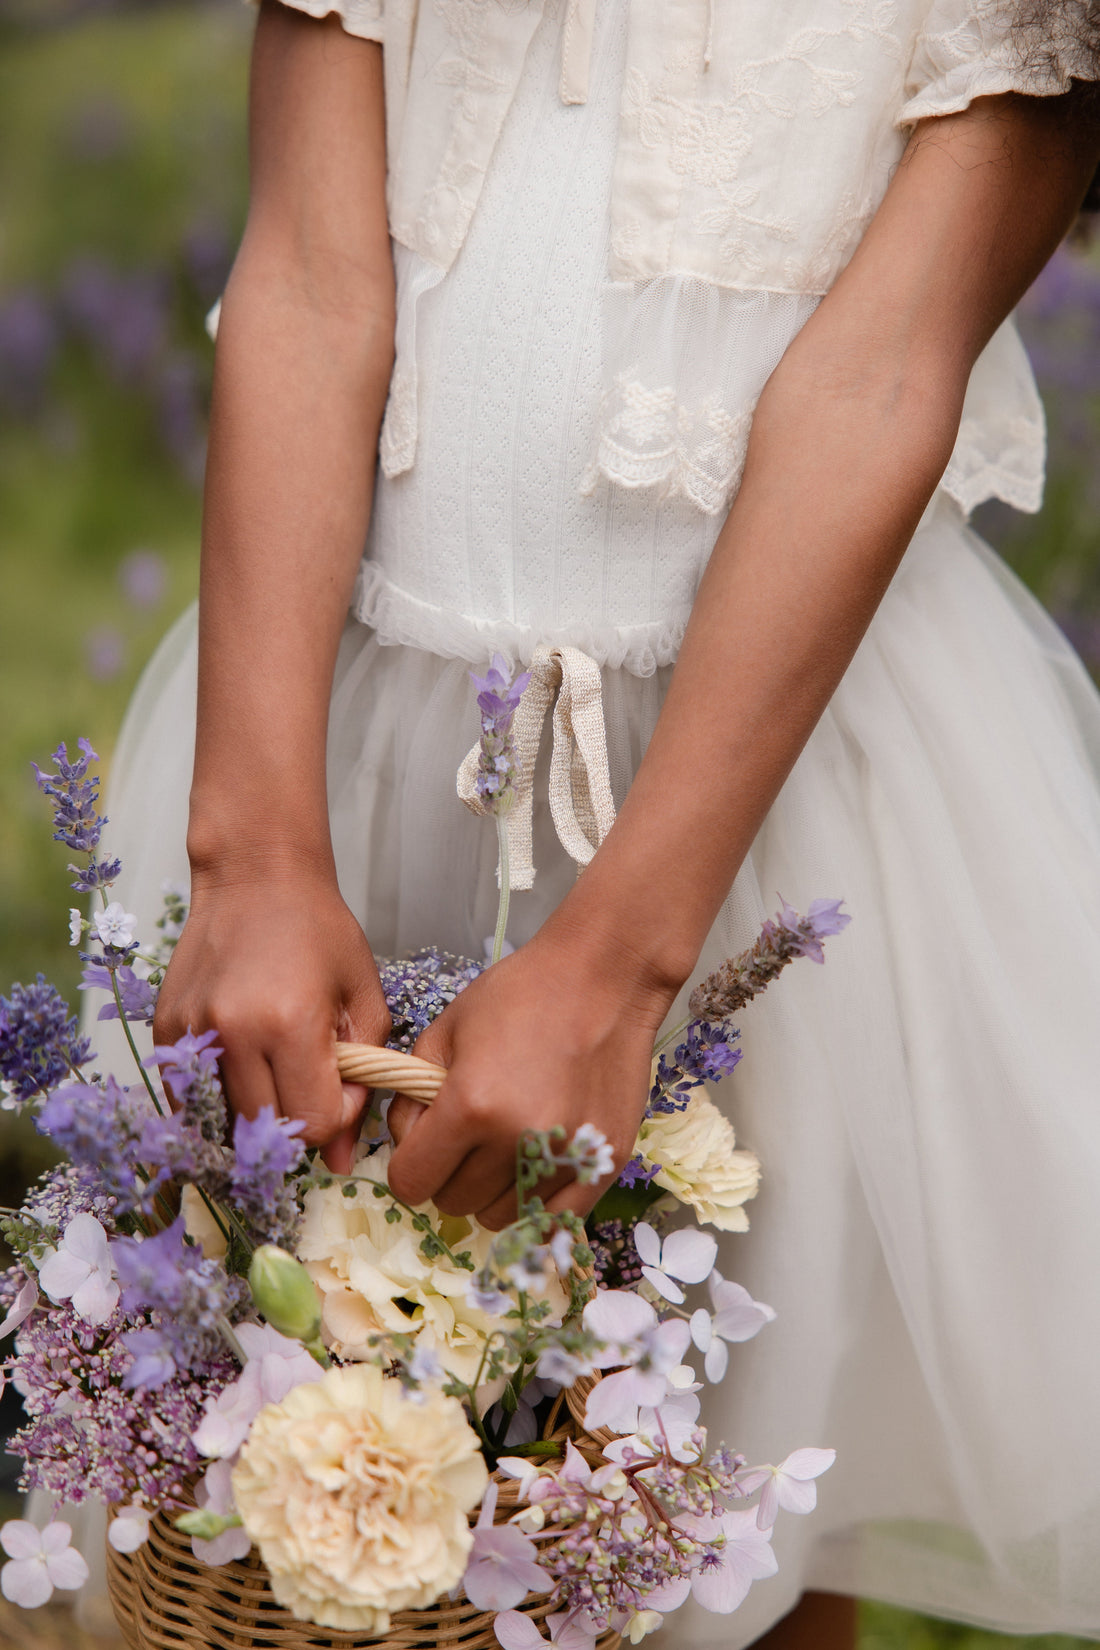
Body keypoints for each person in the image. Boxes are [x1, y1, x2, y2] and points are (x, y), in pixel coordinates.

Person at [90, 0, 1100, 1645]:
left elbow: (886, 364)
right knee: (294, 1507)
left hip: (758, 806)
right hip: (328, 739)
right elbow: (311, 272)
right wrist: (253, 851)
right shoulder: (281, 814)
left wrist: (624, 963)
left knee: (715, 1539)